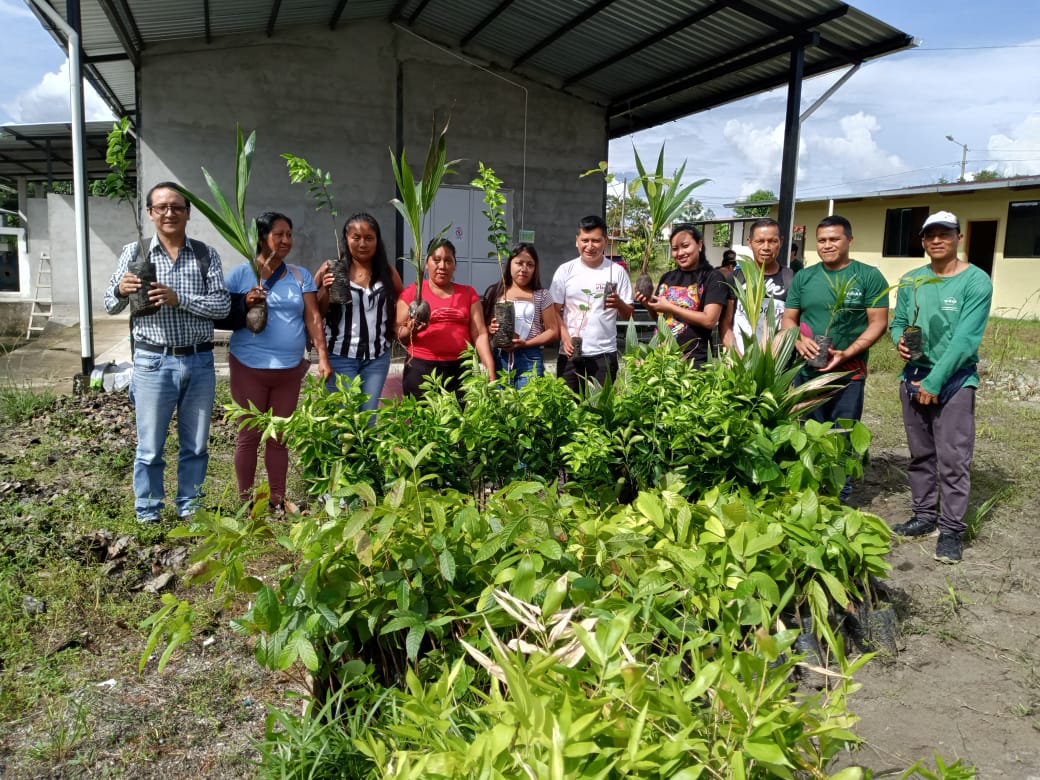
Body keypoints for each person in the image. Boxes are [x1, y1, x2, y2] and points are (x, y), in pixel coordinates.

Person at [103, 182, 231, 523]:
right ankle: (148, 511)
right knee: (149, 447)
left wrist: (179, 299)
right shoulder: (136, 253)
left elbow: (222, 305)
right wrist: (120, 290)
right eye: (161, 207)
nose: (169, 213)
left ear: (188, 213)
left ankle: (191, 508)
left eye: (177, 207)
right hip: (152, 361)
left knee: (196, 444)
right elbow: (109, 304)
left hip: (200, 361)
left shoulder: (205, 255)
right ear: (150, 213)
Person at [889, 211, 992, 564]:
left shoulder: (976, 281)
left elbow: (965, 339)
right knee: (921, 454)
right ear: (922, 240)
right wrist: (900, 341)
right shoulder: (912, 280)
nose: (936, 240)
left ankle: (950, 530)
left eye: (944, 233)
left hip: (955, 380)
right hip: (914, 374)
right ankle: (923, 515)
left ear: (959, 237)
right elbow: (900, 322)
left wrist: (934, 382)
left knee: (953, 458)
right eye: (930, 235)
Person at [224, 212, 331, 514]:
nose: (286, 240)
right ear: (261, 238)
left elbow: (313, 317)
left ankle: (277, 500)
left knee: (279, 437)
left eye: (289, 234)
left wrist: (322, 356)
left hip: (288, 371)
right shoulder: (240, 274)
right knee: (249, 436)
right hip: (248, 367)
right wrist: (245, 302)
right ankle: (245, 503)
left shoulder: (299, 275)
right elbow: (222, 311)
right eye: (278, 235)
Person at [781, 215, 890, 502]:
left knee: (842, 432)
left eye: (834, 239)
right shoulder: (804, 277)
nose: (827, 245)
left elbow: (878, 323)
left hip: (849, 374)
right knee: (808, 431)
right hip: (808, 372)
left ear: (849, 240)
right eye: (821, 240)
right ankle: (812, 494)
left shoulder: (868, 276)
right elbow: (789, 319)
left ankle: (840, 495)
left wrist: (847, 353)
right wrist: (799, 340)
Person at [316, 212, 403, 411]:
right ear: (346, 239)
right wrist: (326, 291)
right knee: (344, 419)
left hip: (377, 358)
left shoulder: (387, 272)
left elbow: (402, 299)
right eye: (356, 238)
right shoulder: (332, 268)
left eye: (369, 238)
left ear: (377, 241)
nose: (363, 244)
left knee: (368, 418)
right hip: (340, 356)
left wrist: (403, 325)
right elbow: (313, 311)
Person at [396, 239, 497, 397]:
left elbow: (480, 334)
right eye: (436, 260)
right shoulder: (413, 293)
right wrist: (412, 330)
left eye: (448, 261)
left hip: (460, 370)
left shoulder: (468, 293)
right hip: (421, 368)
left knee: (459, 412)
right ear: (426, 263)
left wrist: (489, 367)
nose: (442, 266)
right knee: (421, 412)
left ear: (455, 265)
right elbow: (399, 332)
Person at [550, 215, 634, 394]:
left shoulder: (616, 272)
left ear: (605, 242)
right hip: (570, 353)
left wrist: (619, 303)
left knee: (600, 406)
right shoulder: (565, 271)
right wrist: (565, 337)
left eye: (596, 241)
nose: (590, 246)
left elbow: (629, 315)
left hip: (604, 354)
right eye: (585, 240)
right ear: (577, 241)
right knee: (568, 404)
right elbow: (553, 311)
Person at [634, 223, 728, 366]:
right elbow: (660, 318)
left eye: (685, 246)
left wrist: (671, 307)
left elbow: (709, 320)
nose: (680, 253)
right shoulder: (667, 277)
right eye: (675, 249)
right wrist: (648, 305)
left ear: (699, 245)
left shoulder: (713, 277)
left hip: (693, 360)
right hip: (661, 357)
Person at [482, 243, 561, 388]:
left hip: (530, 358)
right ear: (509, 264)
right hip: (500, 357)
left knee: (529, 400)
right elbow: (481, 330)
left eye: (530, 265)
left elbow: (553, 331)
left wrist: (527, 343)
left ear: (535, 268)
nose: (524, 269)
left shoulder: (542, 295)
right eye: (519, 263)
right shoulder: (495, 292)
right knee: (501, 400)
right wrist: (490, 329)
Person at [720, 218, 794, 354]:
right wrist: (738, 357)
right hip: (740, 359)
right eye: (759, 241)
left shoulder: (791, 279)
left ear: (781, 242)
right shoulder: (736, 278)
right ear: (750, 242)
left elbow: (792, 323)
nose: (766, 247)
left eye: (772, 241)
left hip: (776, 362)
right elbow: (726, 323)